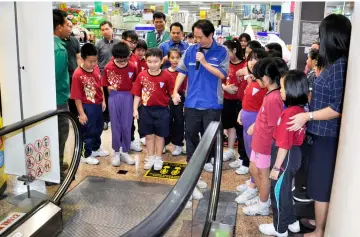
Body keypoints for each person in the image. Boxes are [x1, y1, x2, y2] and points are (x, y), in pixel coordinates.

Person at [288, 15, 351, 237]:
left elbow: (338, 106)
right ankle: (317, 221)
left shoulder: (341, 67)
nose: (318, 39)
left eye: (321, 35)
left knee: (321, 184)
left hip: (327, 136)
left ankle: (320, 231)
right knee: (315, 181)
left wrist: (309, 116)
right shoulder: (334, 64)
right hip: (319, 134)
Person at [172, 20, 229, 172]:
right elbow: (182, 72)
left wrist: (204, 62)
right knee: (190, 133)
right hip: (191, 102)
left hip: (212, 103)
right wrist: (175, 91)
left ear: (210, 34)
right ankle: (192, 161)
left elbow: (222, 74)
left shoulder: (222, 51)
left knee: (208, 135)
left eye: (200, 37)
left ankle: (208, 159)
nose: (197, 40)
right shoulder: (191, 51)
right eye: (195, 37)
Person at [259, 70, 308, 237]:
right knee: (286, 190)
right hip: (293, 155)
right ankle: (292, 221)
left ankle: (279, 229)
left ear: (293, 89)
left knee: (278, 193)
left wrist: (275, 167)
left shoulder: (289, 114)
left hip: (284, 157)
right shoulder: (299, 110)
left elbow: (284, 145)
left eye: (283, 87)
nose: (280, 90)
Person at [242, 58, 288, 216]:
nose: (256, 80)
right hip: (258, 141)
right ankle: (263, 197)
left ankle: (263, 203)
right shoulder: (270, 94)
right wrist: (255, 126)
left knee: (262, 173)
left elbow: (275, 125)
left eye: (258, 77)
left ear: (266, 78)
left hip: (265, 143)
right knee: (253, 169)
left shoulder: (274, 98)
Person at [131, 48, 173, 171]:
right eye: (149, 61)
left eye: (155, 61)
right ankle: (150, 157)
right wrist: (135, 109)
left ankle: (158, 158)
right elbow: (137, 94)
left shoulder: (167, 75)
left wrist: (175, 97)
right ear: (145, 61)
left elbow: (171, 92)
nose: (152, 64)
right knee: (149, 136)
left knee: (160, 136)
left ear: (161, 61)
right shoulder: (142, 75)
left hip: (162, 110)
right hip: (145, 110)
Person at [231, 49, 268, 175]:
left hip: (255, 122)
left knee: (255, 154)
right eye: (250, 59)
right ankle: (252, 180)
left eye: (256, 59)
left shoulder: (264, 83)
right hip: (247, 120)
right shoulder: (253, 79)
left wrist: (256, 122)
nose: (252, 62)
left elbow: (265, 107)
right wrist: (242, 111)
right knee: (249, 150)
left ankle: (254, 183)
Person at [70, 43, 109, 165]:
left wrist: (103, 100)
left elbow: (100, 85)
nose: (93, 64)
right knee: (88, 131)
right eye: (90, 61)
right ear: (82, 59)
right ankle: (85, 154)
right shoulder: (78, 74)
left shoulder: (96, 68)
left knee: (98, 128)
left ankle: (95, 148)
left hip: (97, 104)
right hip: (86, 106)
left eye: (95, 61)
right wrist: (81, 113)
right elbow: (76, 97)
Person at [102, 42, 137, 167]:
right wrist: (107, 99)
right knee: (115, 125)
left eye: (125, 59)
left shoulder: (132, 66)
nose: (122, 62)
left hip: (128, 96)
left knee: (127, 125)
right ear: (114, 57)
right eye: (119, 60)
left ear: (129, 55)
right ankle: (117, 152)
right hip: (114, 97)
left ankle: (125, 151)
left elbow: (135, 83)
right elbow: (105, 85)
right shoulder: (108, 67)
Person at [52, 9, 72, 185]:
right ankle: (55, 170)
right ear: (58, 27)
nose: (69, 28)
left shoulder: (46, 44)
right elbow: (54, 77)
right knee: (60, 133)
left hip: (50, 98)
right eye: (67, 25)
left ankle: (55, 164)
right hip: (58, 98)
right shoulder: (58, 49)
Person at [221, 39, 246, 162]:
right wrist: (225, 88)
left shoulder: (245, 64)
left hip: (241, 102)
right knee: (230, 126)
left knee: (240, 128)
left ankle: (242, 157)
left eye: (227, 52)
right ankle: (230, 150)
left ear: (235, 50)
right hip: (227, 99)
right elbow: (217, 80)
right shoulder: (224, 64)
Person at [96, 21, 120, 131]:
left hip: (117, 75)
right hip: (102, 75)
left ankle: (116, 118)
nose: (105, 31)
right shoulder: (98, 44)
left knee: (116, 98)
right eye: (102, 30)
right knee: (104, 97)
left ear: (112, 29)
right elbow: (95, 61)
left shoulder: (119, 43)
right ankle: (105, 120)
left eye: (107, 29)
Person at [122, 30, 143, 152]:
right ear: (123, 40)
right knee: (122, 120)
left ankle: (130, 140)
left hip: (132, 94)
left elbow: (139, 77)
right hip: (120, 94)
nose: (132, 45)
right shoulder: (117, 55)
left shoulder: (135, 58)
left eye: (135, 43)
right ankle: (121, 144)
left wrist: (138, 94)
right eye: (131, 42)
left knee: (131, 119)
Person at [164, 49, 186, 156]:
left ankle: (178, 144)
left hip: (180, 99)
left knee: (179, 121)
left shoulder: (183, 72)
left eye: (178, 58)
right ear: (168, 59)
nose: (175, 60)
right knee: (165, 121)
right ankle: (164, 143)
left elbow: (185, 88)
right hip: (166, 99)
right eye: (172, 58)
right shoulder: (164, 72)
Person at [63, 27, 82, 117]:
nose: (69, 28)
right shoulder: (57, 41)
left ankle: (74, 116)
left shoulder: (74, 41)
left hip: (73, 74)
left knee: (74, 96)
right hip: (62, 75)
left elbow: (78, 57)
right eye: (67, 26)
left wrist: (79, 70)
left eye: (71, 26)